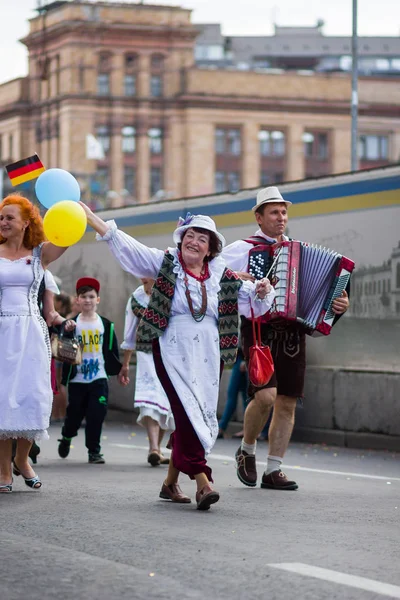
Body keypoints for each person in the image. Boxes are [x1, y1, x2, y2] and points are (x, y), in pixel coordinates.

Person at [79, 204, 276, 510]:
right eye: (189, 235)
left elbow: (252, 301)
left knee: (195, 416)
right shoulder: (166, 262)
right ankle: (203, 481)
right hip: (170, 347)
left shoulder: (220, 275)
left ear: (210, 248)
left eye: (201, 238)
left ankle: (170, 483)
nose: (193, 242)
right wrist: (94, 220)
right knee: (185, 412)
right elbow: (131, 250)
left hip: (209, 354)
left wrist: (262, 290)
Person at [222, 186, 350, 491]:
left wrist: (338, 305)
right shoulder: (244, 248)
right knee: (265, 396)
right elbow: (216, 274)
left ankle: (274, 469)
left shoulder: (297, 249)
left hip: (293, 331)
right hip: (258, 329)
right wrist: (246, 278)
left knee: (287, 401)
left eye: (284, 212)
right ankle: (247, 449)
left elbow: (324, 294)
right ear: (259, 216)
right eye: (274, 212)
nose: (281, 218)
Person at [0, 194, 71, 493]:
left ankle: (22, 458)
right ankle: (4, 471)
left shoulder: (40, 254)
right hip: (2, 330)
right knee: (3, 399)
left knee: (31, 394)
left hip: (30, 330)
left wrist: (68, 207)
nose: (3, 222)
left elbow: (66, 238)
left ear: (26, 223)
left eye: (9, 218)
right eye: (1, 217)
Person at [58, 277, 125, 464]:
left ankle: (94, 451)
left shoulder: (106, 325)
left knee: (97, 414)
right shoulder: (72, 323)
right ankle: (67, 437)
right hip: (78, 379)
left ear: (98, 299)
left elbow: (112, 351)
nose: (87, 300)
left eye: (91, 296)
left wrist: (120, 371)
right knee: (74, 417)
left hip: (99, 378)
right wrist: (66, 329)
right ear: (77, 300)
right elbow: (62, 349)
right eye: (83, 296)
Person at [119, 278, 174, 466]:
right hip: (146, 354)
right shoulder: (136, 298)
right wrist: (126, 364)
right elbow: (130, 333)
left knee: (167, 402)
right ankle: (154, 448)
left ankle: (156, 449)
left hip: (170, 355)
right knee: (151, 399)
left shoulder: (170, 292)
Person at [217, 345, 248, 439]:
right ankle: (221, 427)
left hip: (246, 356)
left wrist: (246, 360)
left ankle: (222, 428)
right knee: (237, 395)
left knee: (243, 396)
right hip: (239, 356)